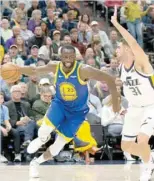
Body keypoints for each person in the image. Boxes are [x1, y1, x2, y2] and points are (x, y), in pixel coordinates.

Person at [1, 45, 120, 178]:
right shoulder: (54, 66)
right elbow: (35, 70)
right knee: (43, 131)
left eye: (71, 57)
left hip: (76, 114)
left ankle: (36, 162)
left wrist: (115, 102)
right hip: (60, 105)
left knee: (57, 147)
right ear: (60, 57)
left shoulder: (84, 70)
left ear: (75, 57)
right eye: (65, 57)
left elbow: (109, 79)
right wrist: (18, 69)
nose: (68, 59)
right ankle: (42, 138)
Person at [112, 5, 154, 181]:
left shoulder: (141, 63)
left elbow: (135, 43)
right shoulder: (121, 68)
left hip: (151, 106)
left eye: (119, 48)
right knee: (126, 146)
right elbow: (126, 90)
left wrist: (116, 23)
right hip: (135, 109)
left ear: (127, 49)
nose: (116, 51)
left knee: (142, 138)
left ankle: (147, 168)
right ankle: (149, 157)